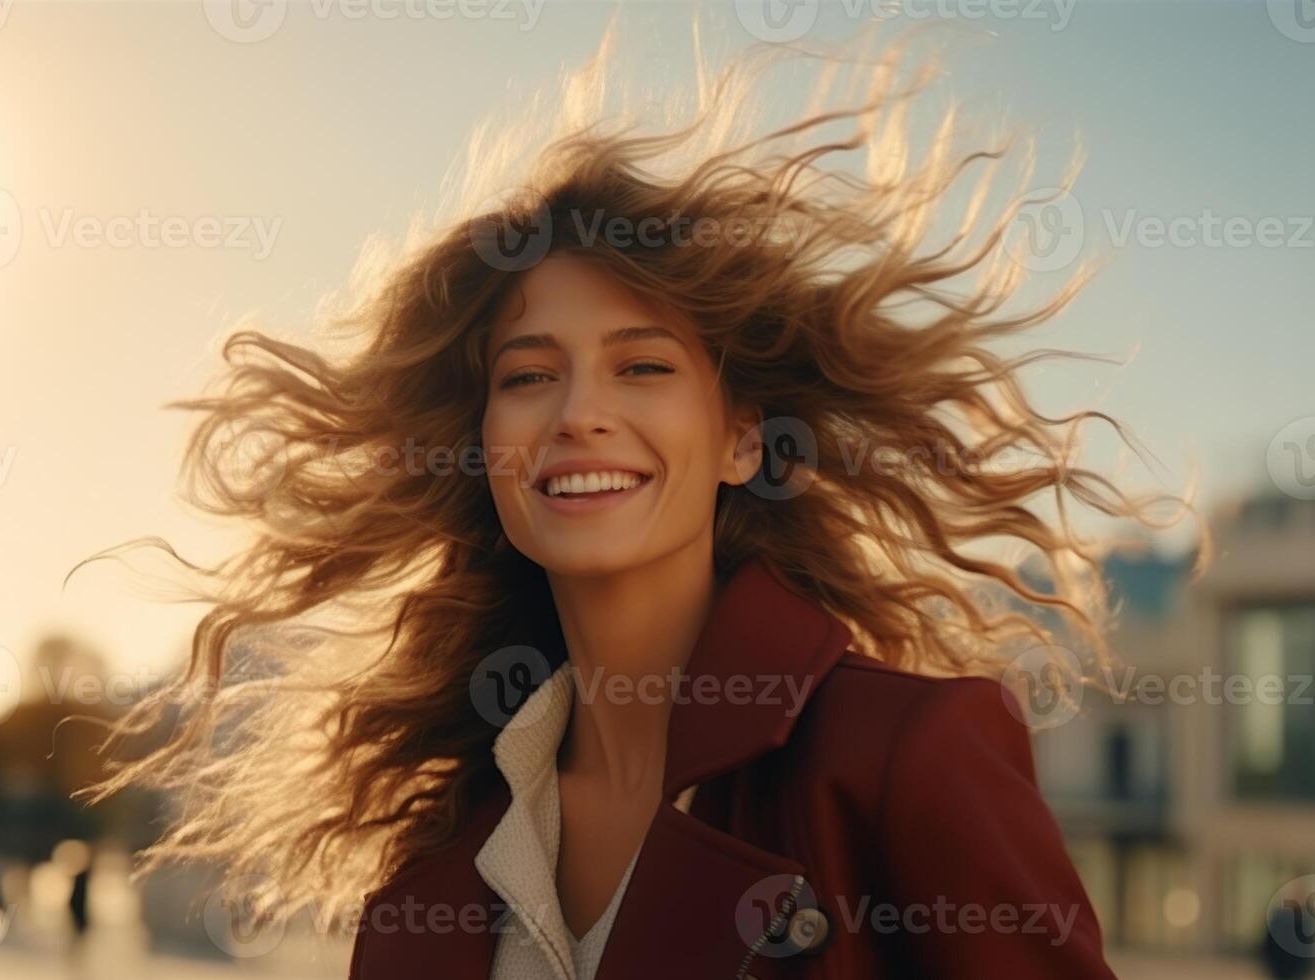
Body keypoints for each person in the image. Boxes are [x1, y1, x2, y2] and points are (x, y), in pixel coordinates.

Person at [80, 19, 1208, 979]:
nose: (577, 413)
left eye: (643, 365)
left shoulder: (903, 758)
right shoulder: (430, 877)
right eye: (527, 376)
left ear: (738, 439)